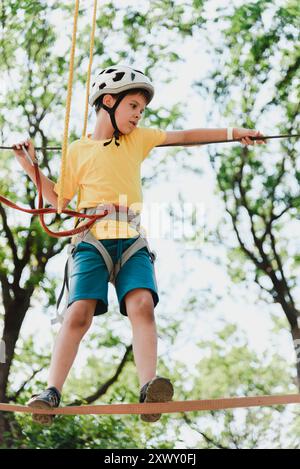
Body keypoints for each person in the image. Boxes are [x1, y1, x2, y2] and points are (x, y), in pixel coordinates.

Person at [12, 64, 266, 426]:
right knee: (78, 313)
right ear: (109, 101)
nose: (138, 115)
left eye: (141, 110)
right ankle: (51, 391)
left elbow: (185, 136)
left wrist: (233, 132)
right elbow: (59, 202)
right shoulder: (78, 151)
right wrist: (29, 165)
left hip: (131, 240)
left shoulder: (137, 140)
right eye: (133, 106)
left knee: (143, 305)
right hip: (91, 241)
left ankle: (150, 388)